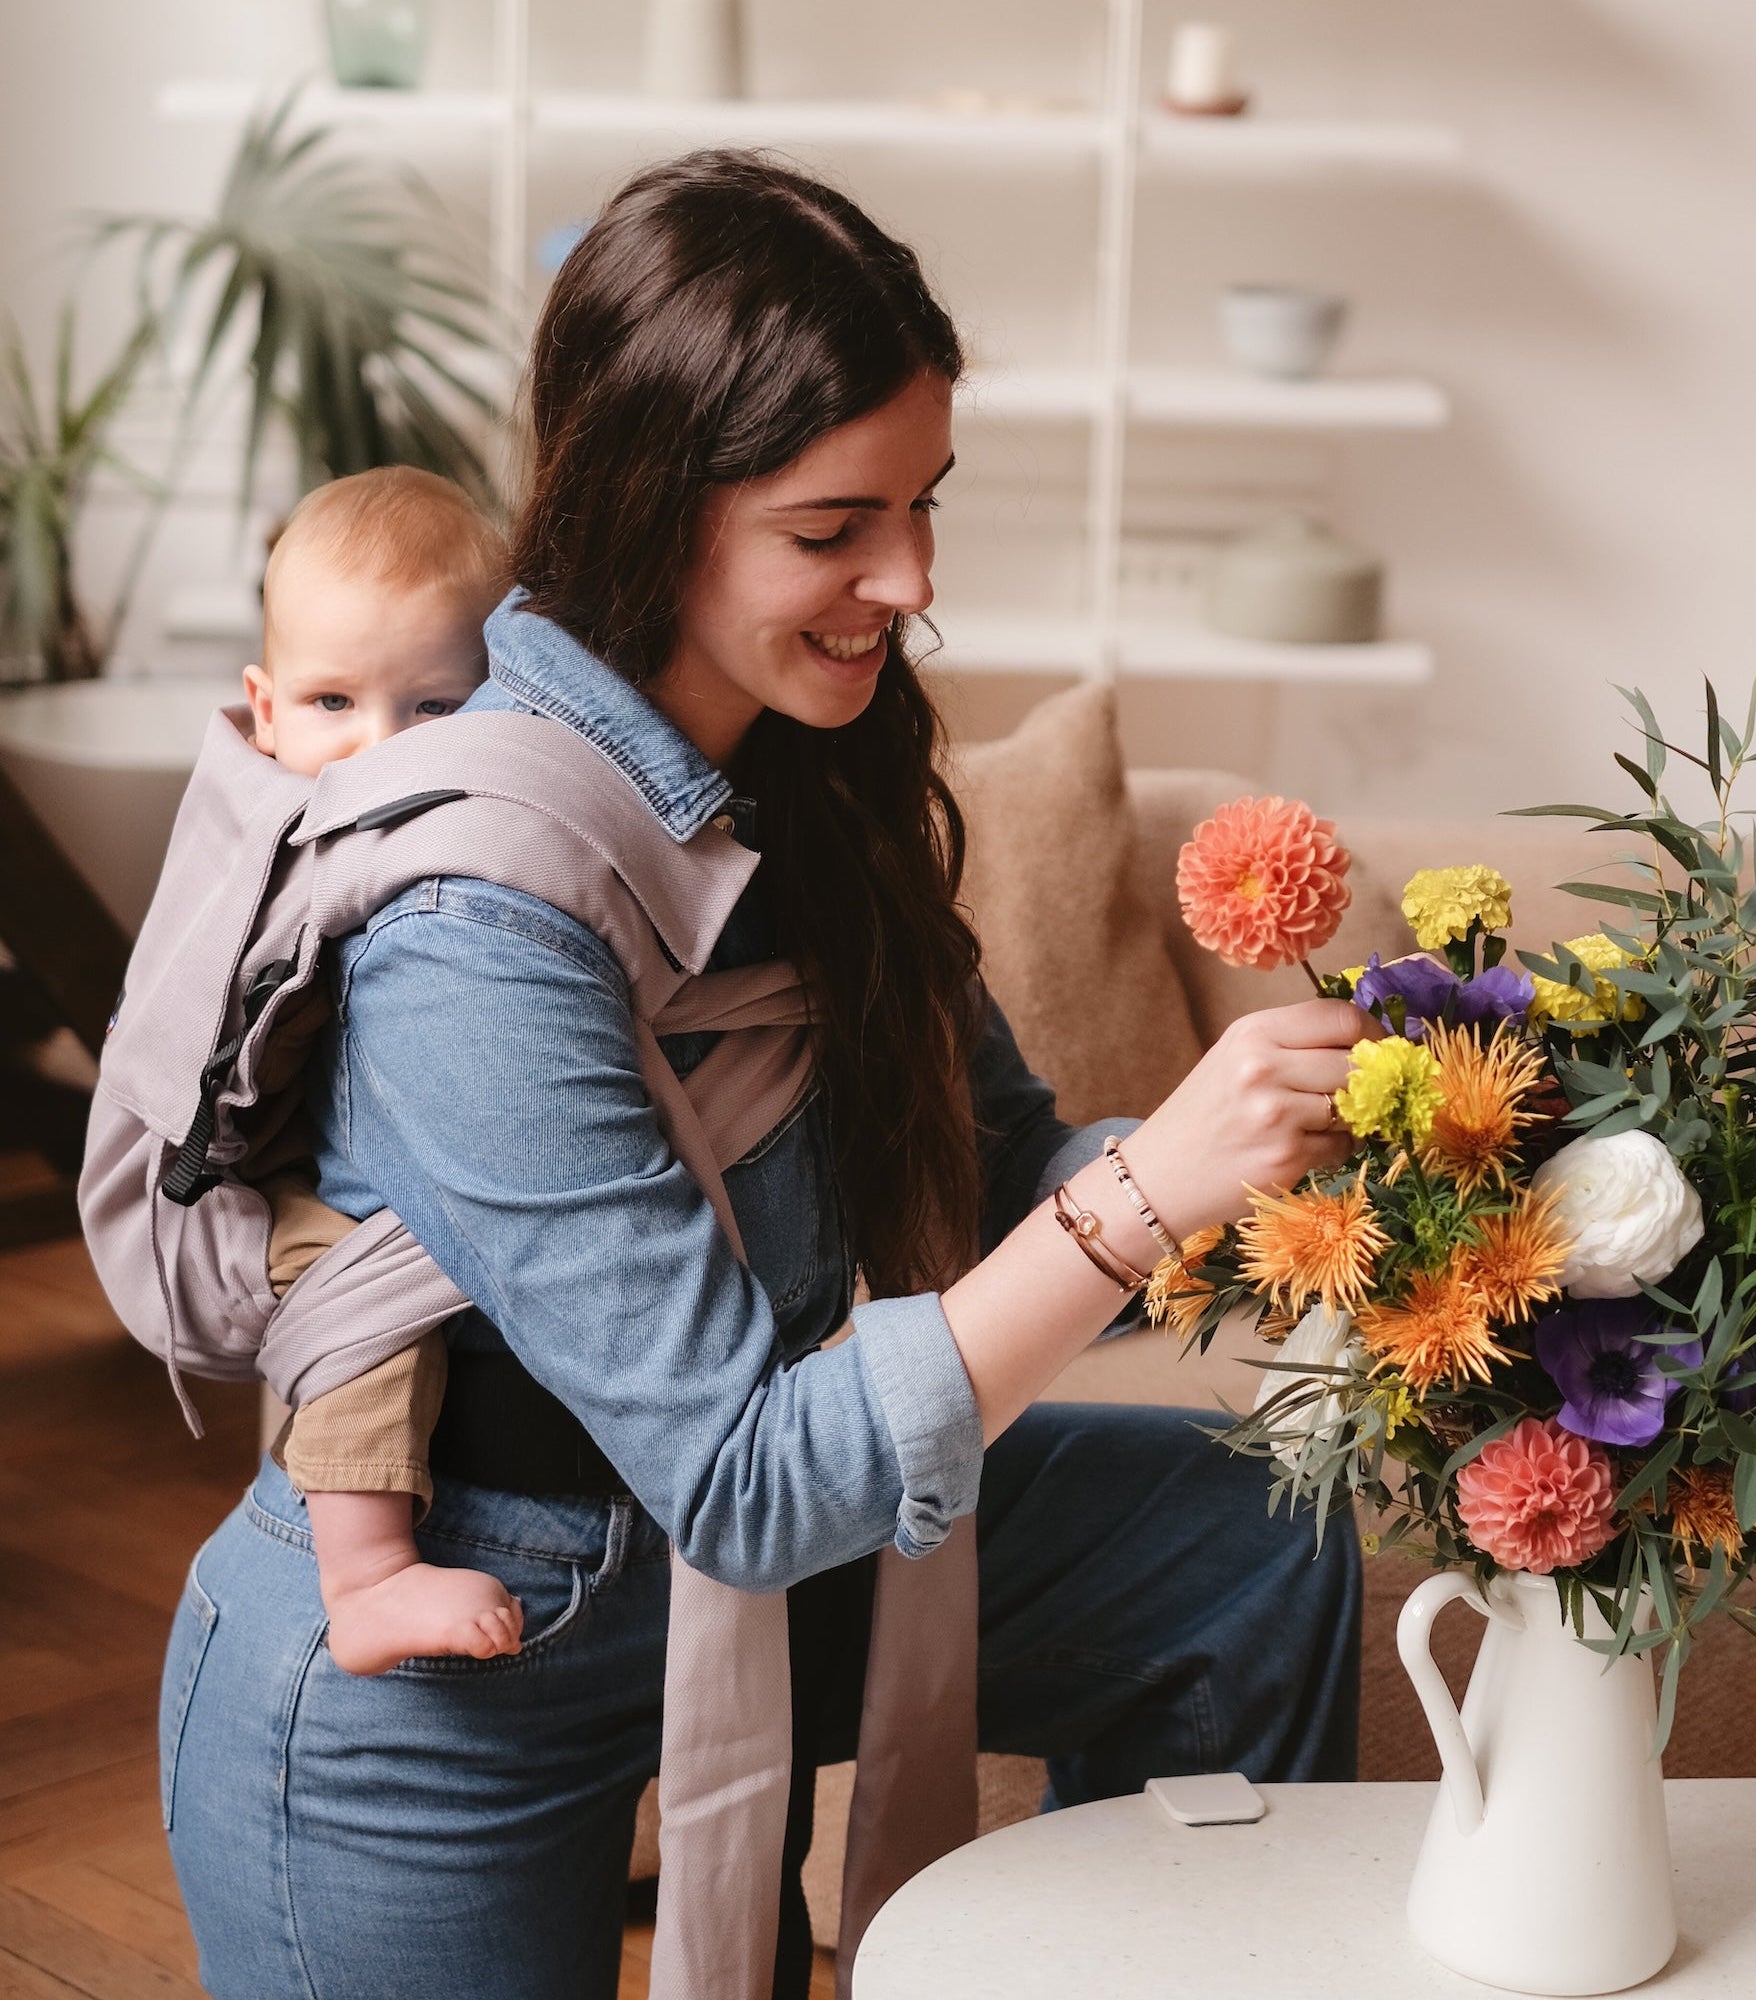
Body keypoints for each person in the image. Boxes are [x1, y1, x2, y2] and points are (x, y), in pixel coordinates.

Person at [161, 153, 1376, 2000]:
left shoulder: (814, 782)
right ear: (657, 507)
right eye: (834, 529)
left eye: (922, 505)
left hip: (741, 1576)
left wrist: (1332, 1170)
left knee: (1244, 1537)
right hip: (446, 1655)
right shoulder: (471, 913)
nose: (911, 580)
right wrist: (1144, 1203)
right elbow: (742, 1473)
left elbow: (1000, 1174)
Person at [236, 465, 527, 1675]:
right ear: (264, 709)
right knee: (362, 1312)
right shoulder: (280, 837)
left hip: (396, 1160)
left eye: (430, 705)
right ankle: (365, 1574)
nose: (378, 744)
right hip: (295, 1185)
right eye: (331, 700)